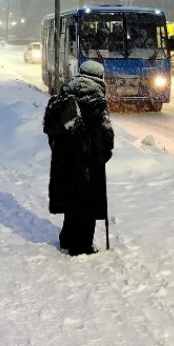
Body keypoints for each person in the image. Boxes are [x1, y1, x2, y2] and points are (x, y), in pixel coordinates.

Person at [43, 60, 115, 256]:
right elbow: (106, 137)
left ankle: (66, 239)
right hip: (87, 162)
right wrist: (100, 155)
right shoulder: (96, 101)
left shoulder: (65, 95)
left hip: (64, 161)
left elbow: (53, 132)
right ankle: (82, 246)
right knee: (87, 206)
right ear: (99, 77)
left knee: (71, 202)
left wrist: (64, 152)